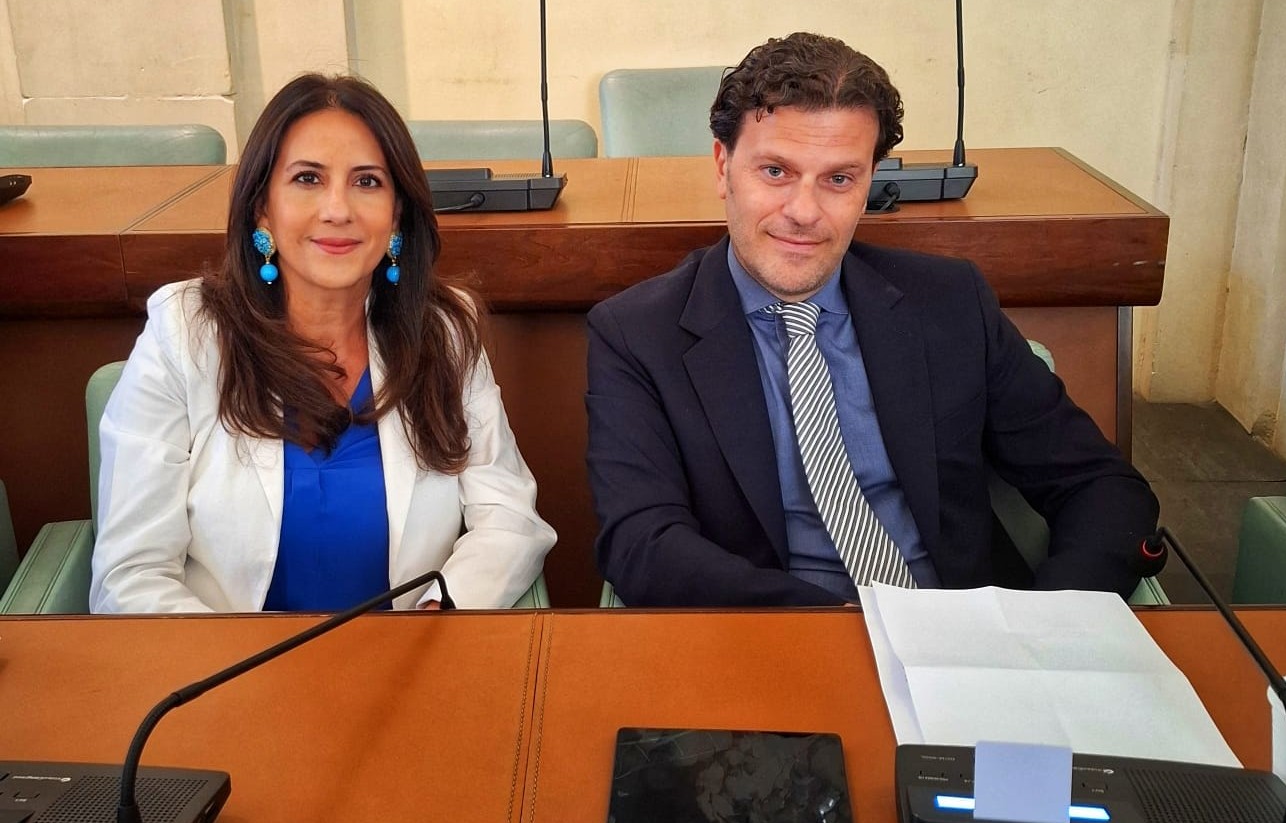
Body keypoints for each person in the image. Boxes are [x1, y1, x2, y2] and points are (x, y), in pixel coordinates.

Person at [585, 32, 1158, 607]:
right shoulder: (637, 335)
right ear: (722, 166)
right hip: (779, 635)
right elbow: (643, 544)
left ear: (868, 183)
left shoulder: (950, 302)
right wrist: (852, 629)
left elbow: (1100, 485)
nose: (804, 212)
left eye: (839, 179)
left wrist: (1046, 625)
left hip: (967, 634)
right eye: (776, 172)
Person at [91, 74, 555, 613]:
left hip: (410, 653)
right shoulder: (185, 331)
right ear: (262, 208)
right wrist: (238, 664)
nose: (338, 209)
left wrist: (436, 619)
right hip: (227, 660)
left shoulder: (445, 332)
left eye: (367, 182)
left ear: (397, 214)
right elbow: (131, 574)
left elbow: (509, 520)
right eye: (307, 178)